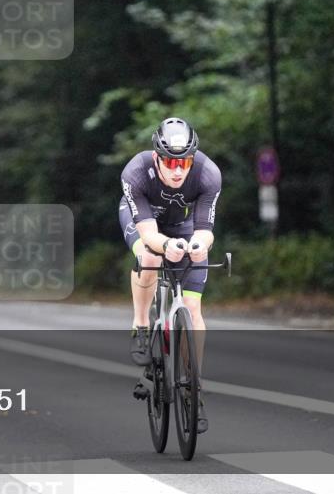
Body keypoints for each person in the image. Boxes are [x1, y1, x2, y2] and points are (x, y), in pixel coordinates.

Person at [119, 117, 221, 433]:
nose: (178, 170)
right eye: (170, 162)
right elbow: (149, 234)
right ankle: (141, 323)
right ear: (157, 158)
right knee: (149, 257)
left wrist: (196, 246)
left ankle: (194, 385)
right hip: (144, 221)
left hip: (183, 226)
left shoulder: (209, 174)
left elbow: (206, 230)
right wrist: (166, 246)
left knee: (192, 309)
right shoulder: (135, 172)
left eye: (184, 162)